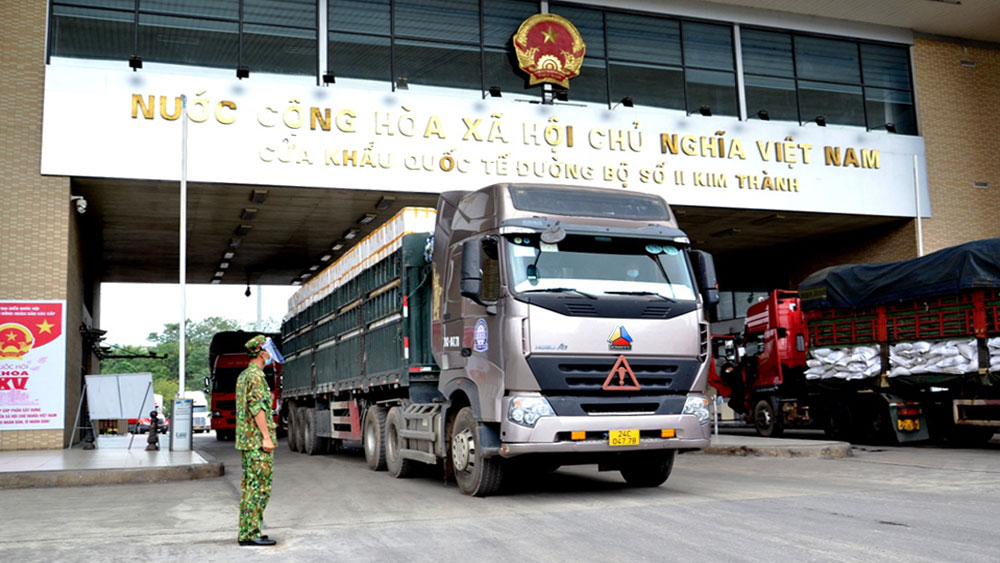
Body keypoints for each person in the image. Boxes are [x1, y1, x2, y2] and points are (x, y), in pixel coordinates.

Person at [236, 334, 283, 547]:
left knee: (250, 487)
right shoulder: (255, 377)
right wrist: (266, 436)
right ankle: (250, 533)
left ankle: (248, 531)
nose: (270, 352)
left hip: (248, 442)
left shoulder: (245, 375)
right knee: (259, 487)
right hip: (256, 442)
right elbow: (257, 408)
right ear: (261, 353)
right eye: (267, 348)